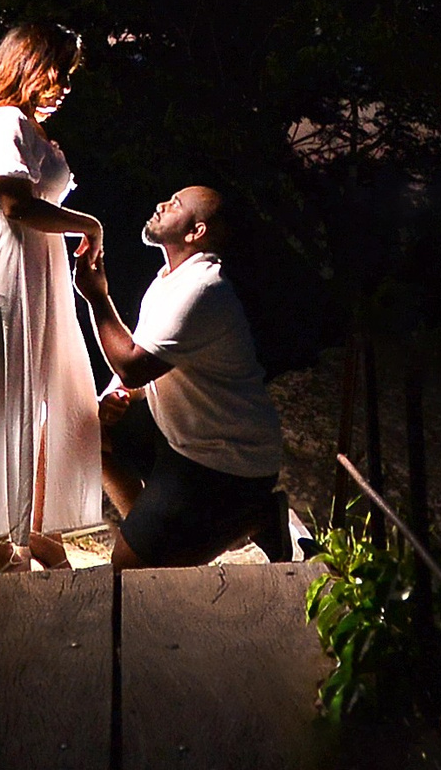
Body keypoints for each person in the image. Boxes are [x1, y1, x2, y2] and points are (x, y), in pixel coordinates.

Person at [0, 23, 106, 572]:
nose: (63, 83)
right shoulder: (3, 122)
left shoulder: (28, 127)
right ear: (26, 64)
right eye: (55, 69)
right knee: (0, 408)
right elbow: (17, 206)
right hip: (3, 272)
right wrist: (89, 223)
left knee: (42, 402)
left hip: (34, 273)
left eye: (68, 74)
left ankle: (33, 530)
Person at [73, 184, 289, 569]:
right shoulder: (169, 281)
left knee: (127, 568)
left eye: (174, 205)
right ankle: (160, 534)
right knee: (87, 431)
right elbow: (140, 364)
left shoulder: (204, 290)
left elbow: (134, 365)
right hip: (183, 439)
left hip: (227, 464)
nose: (160, 204)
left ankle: (249, 515)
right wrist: (114, 396)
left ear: (195, 232)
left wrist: (97, 296)